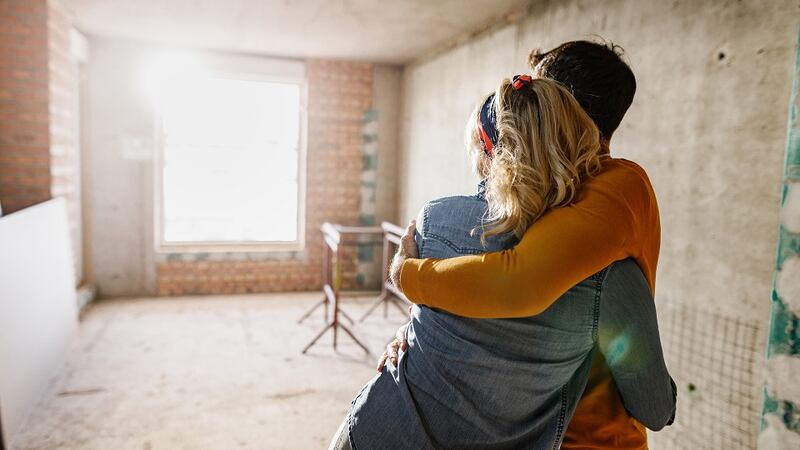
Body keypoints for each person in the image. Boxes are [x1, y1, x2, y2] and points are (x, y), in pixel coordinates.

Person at [329, 75, 675, 449]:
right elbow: (654, 408)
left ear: (486, 152)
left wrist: (406, 288)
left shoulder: (434, 220)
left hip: (377, 430)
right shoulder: (609, 270)